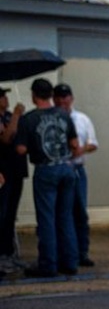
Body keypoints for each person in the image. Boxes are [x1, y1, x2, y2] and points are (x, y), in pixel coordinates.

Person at [14, 78, 79, 277]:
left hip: (45, 170)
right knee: (66, 216)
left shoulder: (29, 119)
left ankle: (48, 264)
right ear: (51, 95)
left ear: (34, 96)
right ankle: (69, 262)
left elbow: (20, 149)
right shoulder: (64, 115)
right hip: (66, 168)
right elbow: (75, 144)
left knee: (46, 219)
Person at [53, 83, 98, 267]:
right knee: (59, 213)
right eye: (60, 97)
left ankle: (82, 252)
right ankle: (61, 253)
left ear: (71, 98)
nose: (63, 100)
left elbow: (93, 143)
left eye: (66, 97)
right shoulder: (52, 118)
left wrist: (81, 149)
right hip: (58, 169)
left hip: (77, 169)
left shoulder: (82, 119)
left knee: (79, 212)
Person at [0, 86, 28, 273]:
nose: (6, 98)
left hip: (16, 170)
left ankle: (9, 253)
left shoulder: (9, 116)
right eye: (2, 95)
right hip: (4, 172)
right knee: (2, 214)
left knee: (10, 214)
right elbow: (6, 138)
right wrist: (17, 115)